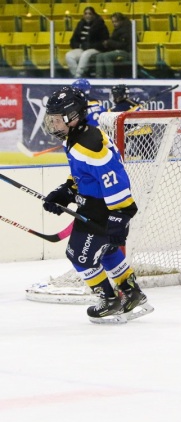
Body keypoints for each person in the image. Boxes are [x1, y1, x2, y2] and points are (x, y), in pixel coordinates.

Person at [42, 86, 154, 324]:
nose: (53, 125)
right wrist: (67, 191)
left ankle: (109, 300)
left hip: (103, 211)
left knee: (79, 257)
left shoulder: (89, 146)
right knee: (108, 251)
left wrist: (120, 216)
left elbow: (115, 180)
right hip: (95, 206)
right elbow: (84, 175)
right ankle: (132, 292)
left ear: (73, 117)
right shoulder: (76, 137)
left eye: (57, 120)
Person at [65, 6, 109, 78]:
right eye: (86, 13)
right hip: (82, 48)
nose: (87, 15)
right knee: (69, 55)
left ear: (94, 15)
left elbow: (103, 42)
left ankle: (78, 75)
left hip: (96, 49)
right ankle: (77, 75)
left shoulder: (100, 25)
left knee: (85, 54)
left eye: (90, 14)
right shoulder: (80, 24)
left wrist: (90, 45)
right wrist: (79, 45)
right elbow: (73, 40)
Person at [95, 12, 132, 79]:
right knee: (99, 56)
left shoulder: (127, 29)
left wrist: (109, 43)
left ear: (121, 21)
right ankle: (99, 78)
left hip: (125, 52)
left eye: (116, 21)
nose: (114, 24)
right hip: (116, 51)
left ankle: (110, 78)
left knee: (106, 56)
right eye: (113, 22)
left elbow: (123, 45)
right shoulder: (117, 30)